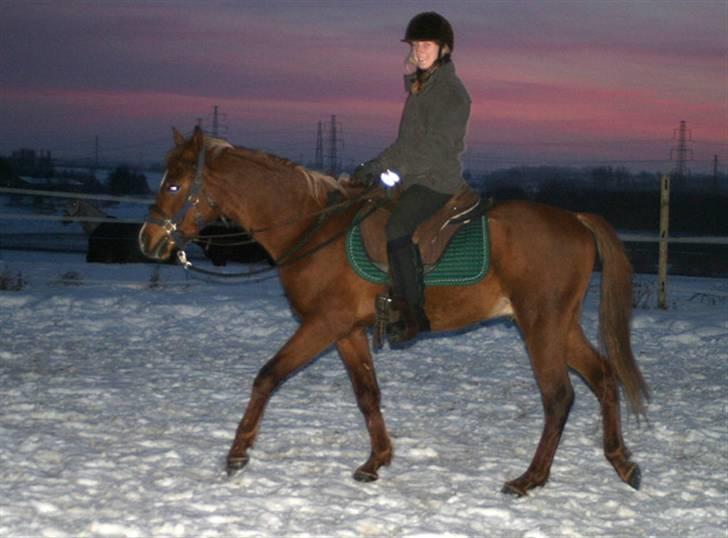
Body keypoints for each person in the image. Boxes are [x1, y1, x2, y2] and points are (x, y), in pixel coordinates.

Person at [351, 12, 471, 345]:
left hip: (436, 181)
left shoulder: (451, 93)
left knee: (397, 227)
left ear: (444, 49)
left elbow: (435, 149)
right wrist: (373, 165)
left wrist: (393, 172)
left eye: (427, 45)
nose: (420, 51)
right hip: (413, 177)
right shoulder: (421, 90)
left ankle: (412, 312)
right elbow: (404, 145)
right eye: (416, 45)